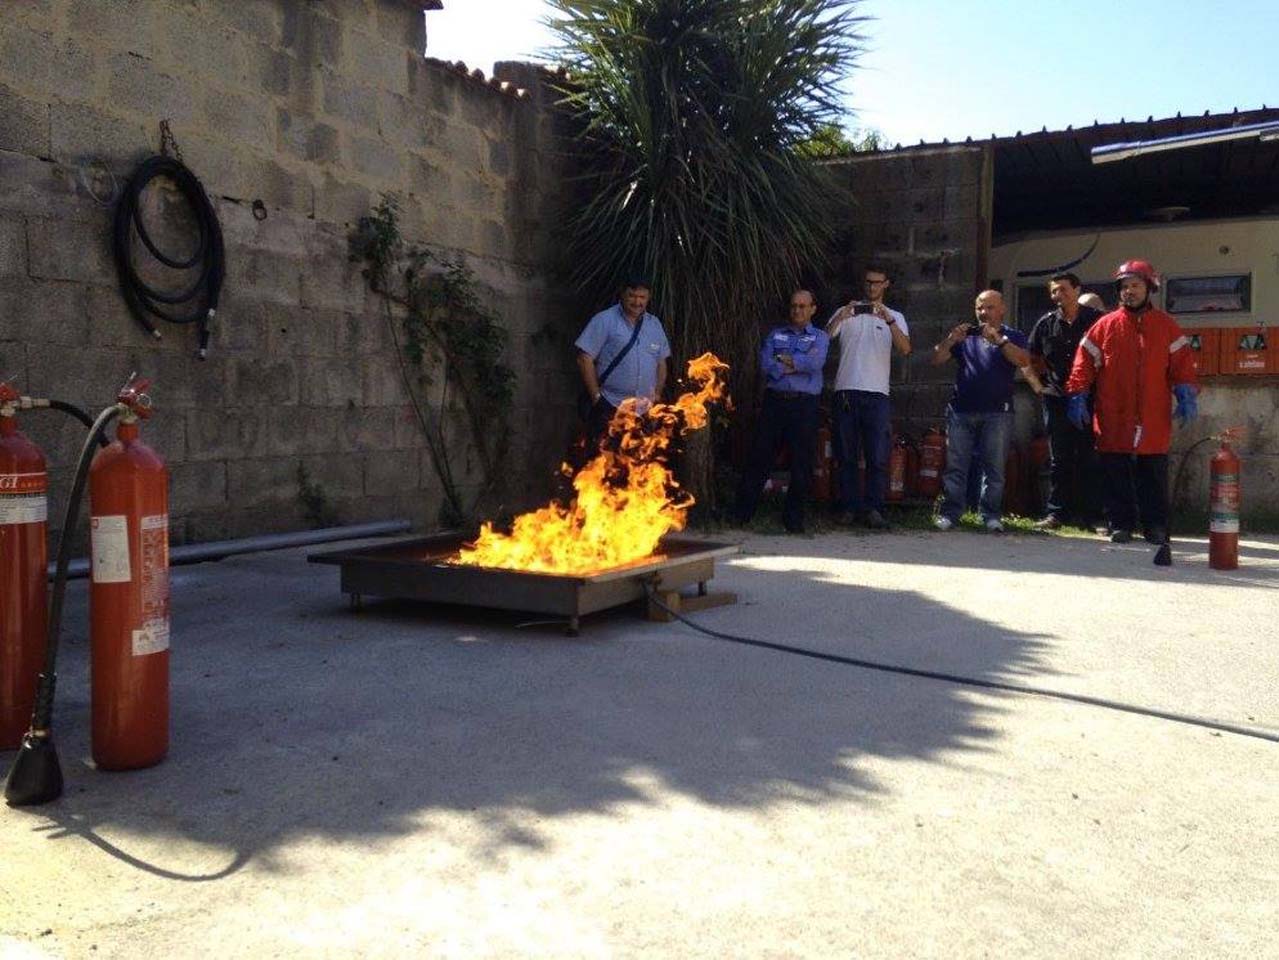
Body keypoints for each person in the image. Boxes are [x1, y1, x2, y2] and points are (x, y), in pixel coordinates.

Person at [1065, 260, 1198, 545]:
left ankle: (1155, 526)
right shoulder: (1105, 326)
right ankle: (1120, 525)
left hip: (1152, 414)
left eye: (1135, 285)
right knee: (1115, 471)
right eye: (1124, 287)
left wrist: (1185, 392)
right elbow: (1084, 362)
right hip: (1114, 412)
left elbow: (1182, 365)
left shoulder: (1166, 327)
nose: (1129, 291)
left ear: (1149, 288)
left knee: (1153, 472)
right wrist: (1077, 394)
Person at [930, 290, 1030, 532]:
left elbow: (1024, 361)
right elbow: (937, 359)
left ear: (1002, 309)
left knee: (994, 467)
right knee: (956, 465)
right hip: (961, 410)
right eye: (980, 308)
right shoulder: (966, 337)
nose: (984, 313)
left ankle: (991, 515)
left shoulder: (1013, 335)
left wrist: (1001, 341)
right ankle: (952, 513)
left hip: (998, 412)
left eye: (990, 307)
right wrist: (951, 339)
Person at [734, 290, 830, 534]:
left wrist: (787, 362)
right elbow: (766, 365)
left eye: (802, 306)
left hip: (804, 404)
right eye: (794, 306)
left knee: (802, 462)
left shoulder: (820, 337)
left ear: (813, 309)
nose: (797, 310)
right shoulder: (776, 334)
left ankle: (794, 520)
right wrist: (795, 364)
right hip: (775, 402)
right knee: (760, 456)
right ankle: (741, 514)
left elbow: (814, 364)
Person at [825, 264, 911, 529]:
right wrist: (842, 316)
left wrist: (888, 320)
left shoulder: (895, 315)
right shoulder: (845, 311)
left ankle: (874, 508)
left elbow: (906, 348)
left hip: (877, 394)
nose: (872, 287)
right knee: (846, 454)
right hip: (846, 390)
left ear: (886, 284)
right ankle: (849, 508)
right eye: (868, 282)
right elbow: (825, 338)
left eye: (877, 282)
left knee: (877, 456)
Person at [1027, 272, 1104, 530]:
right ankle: (1057, 514)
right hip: (1057, 400)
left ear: (1077, 289)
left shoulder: (1096, 321)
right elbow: (1031, 360)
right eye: (1054, 291)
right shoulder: (1046, 324)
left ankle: (1092, 517)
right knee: (1059, 459)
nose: (1058, 295)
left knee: (1090, 458)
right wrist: (1041, 389)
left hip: (1089, 399)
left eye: (1063, 289)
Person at [575, 277, 671, 450]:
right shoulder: (604, 320)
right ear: (622, 295)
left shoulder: (655, 325)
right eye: (632, 296)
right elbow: (584, 358)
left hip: (643, 414)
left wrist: (657, 394)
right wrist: (597, 398)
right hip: (610, 409)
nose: (637, 302)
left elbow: (661, 362)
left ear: (648, 298)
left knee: (640, 468)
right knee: (604, 466)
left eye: (642, 297)